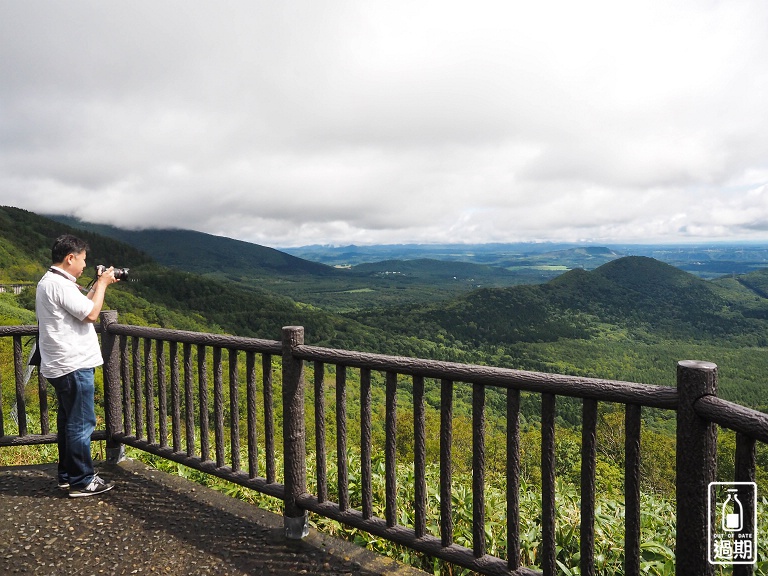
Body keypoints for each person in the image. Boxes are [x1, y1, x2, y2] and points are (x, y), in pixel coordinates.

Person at [35, 234, 119, 497]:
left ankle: (67, 475)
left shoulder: (52, 282)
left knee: (69, 421)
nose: (84, 265)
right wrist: (103, 284)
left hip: (61, 364)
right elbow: (92, 314)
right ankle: (82, 481)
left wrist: (98, 284)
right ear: (70, 257)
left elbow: (83, 308)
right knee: (81, 423)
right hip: (72, 364)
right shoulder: (59, 285)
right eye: (83, 259)